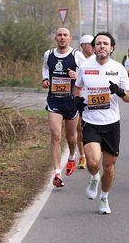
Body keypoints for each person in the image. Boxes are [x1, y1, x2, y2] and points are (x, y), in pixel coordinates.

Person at [73, 31, 129, 215]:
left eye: (105, 43)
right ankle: (93, 177)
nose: (101, 46)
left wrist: (121, 92)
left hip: (111, 123)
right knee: (93, 162)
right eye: (98, 43)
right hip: (91, 122)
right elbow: (77, 87)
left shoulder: (118, 68)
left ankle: (104, 198)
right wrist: (77, 100)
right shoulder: (85, 67)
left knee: (109, 167)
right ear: (94, 47)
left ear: (111, 48)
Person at [42, 28, 87, 187]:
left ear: (70, 39)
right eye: (59, 35)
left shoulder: (77, 55)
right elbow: (45, 68)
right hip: (54, 100)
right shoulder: (49, 54)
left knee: (71, 137)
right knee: (55, 134)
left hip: (70, 101)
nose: (62, 37)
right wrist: (45, 79)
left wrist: (77, 76)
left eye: (65, 35)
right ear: (55, 38)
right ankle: (57, 173)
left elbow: (86, 73)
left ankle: (72, 156)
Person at [76, 34, 95, 169]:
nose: (94, 47)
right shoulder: (76, 57)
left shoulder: (97, 59)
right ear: (83, 45)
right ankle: (82, 156)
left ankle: (93, 154)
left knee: (94, 128)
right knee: (80, 130)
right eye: (91, 44)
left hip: (93, 98)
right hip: (79, 98)